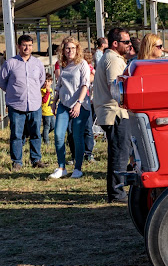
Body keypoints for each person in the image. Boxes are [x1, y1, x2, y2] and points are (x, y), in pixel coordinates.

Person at [94, 27, 132, 203]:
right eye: (126, 42)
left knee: (119, 152)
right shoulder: (113, 59)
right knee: (120, 154)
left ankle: (117, 191)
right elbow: (115, 87)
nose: (129, 44)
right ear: (115, 43)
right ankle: (117, 193)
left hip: (112, 112)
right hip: (115, 113)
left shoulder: (112, 58)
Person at [0, 34, 46, 170]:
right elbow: (2, 82)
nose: (27, 48)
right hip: (16, 105)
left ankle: (36, 159)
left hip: (35, 104)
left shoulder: (37, 63)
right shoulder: (10, 63)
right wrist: (14, 93)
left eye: (30, 45)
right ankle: (17, 161)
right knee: (16, 134)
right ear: (19, 46)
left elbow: (41, 81)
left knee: (36, 133)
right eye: (25, 45)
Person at [50, 37, 91, 179]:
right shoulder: (62, 64)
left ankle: (78, 168)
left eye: (73, 48)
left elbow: (85, 85)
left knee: (76, 136)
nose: (70, 51)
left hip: (80, 104)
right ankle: (61, 167)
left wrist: (79, 103)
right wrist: (54, 101)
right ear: (63, 50)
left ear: (77, 49)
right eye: (67, 48)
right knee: (58, 135)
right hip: (63, 104)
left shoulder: (82, 64)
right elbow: (59, 84)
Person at [41, 73, 55, 144]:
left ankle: (43, 135)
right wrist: (47, 92)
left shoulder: (51, 89)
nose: (47, 83)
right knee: (46, 127)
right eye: (45, 81)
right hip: (45, 112)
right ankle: (46, 141)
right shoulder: (43, 90)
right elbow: (44, 100)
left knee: (53, 126)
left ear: (51, 82)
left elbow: (52, 100)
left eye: (48, 81)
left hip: (51, 112)